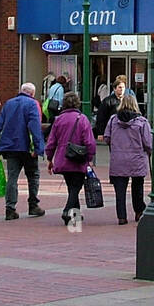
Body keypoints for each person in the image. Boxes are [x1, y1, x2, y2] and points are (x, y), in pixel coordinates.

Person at [0, 82, 46, 221]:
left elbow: (0, 124)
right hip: (27, 147)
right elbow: (34, 126)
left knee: (12, 177)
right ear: (32, 93)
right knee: (33, 176)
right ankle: (33, 204)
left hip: (10, 147)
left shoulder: (9, 104)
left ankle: (10, 208)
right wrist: (38, 147)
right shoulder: (32, 104)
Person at [45, 92, 96, 228]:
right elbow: (89, 142)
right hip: (79, 158)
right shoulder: (82, 119)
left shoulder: (58, 119)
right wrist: (90, 158)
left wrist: (50, 158)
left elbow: (51, 142)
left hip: (63, 158)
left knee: (72, 186)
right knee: (75, 187)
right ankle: (67, 210)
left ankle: (76, 213)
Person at [106, 92, 152, 225]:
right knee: (137, 186)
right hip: (136, 159)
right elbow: (148, 143)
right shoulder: (142, 122)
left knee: (119, 189)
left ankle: (121, 216)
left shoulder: (113, 120)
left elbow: (107, 138)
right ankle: (139, 211)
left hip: (118, 159)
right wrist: (148, 151)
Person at [93, 75, 128, 141]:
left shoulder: (127, 100)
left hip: (125, 131)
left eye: (123, 87)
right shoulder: (107, 101)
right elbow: (101, 117)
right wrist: (100, 132)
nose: (122, 89)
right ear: (115, 89)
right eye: (120, 87)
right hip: (113, 130)